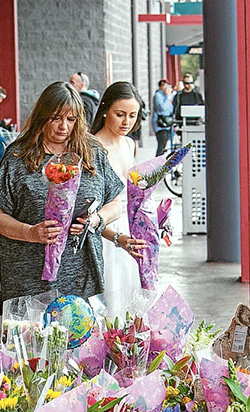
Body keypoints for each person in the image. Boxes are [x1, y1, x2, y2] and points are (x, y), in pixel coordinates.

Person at [0, 81, 123, 308]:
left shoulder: (92, 152)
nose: (63, 127)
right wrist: (30, 233)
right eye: (56, 118)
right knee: (33, 339)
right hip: (27, 275)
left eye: (71, 119)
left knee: (81, 338)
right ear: (42, 116)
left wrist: (96, 219)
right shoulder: (18, 156)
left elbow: (115, 203)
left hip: (83, 271)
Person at [91, 81, 147, 307]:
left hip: (130, 229)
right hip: (104, 230)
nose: (127, 122)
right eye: (120, 114)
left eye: (133, 116)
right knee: (109, 299)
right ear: (105, 109)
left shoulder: (130, 144)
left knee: (130, 299)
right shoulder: (92, 146)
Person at [152, 79, 174, 156]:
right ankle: (156, 164)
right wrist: (168, 97)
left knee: (164, 145)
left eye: (166, 85)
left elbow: (171, 109)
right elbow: (163, 108)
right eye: (163, 85)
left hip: (168, 123)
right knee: (161, 145)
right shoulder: (158, 95)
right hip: (160, 124)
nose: (165, 87)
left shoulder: (168, 95)